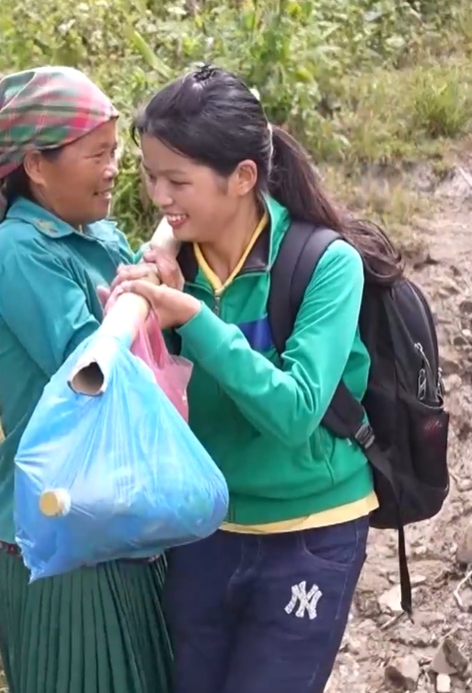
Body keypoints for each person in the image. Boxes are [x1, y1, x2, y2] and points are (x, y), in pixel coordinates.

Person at [112, 63, 405, 693]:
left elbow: (295, 413)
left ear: (243, 177)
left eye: (178, 181)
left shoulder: (326, 265)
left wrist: (194, 320)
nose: (159, 197)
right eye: (150, 175)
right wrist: (144, 326)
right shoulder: (171, 268)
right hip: (204, 526)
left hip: (310, 529)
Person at [0, 65, 173, 693]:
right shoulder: (20, 251)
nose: (113, 169)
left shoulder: (96, 233)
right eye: (96, 155)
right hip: (59, 526)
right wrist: (150, 302)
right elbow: (91, 373)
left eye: (115, 153)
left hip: (120, 508)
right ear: (37, 166)